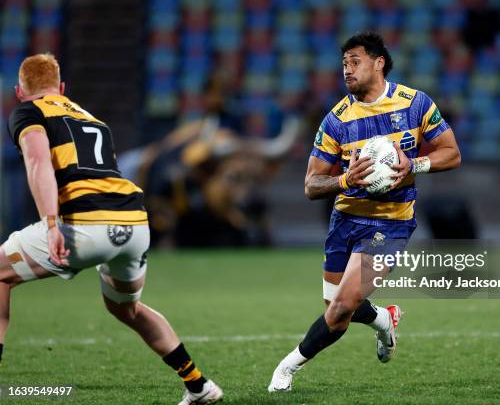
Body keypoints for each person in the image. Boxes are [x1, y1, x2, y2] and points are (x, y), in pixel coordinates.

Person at [0, 53, 222, 405]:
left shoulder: (29, 111)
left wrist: (51, 224)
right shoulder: (94, 121)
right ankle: (199, 385)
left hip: (86, 224)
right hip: (133, 222)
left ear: (19, 91)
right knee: (127, 308)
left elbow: (38, 161)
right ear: (61, 88)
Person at [268, 32, 461, 392]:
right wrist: (344, 180)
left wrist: (414, 164)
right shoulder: (337, 120)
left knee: (340, 308)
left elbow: (452, 153)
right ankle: (384, 319)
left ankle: (286, 369)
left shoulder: (415, 105)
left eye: (355, 61)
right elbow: (311, 185)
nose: (347, 70)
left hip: (390, 222)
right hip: (345, 220)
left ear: (379, 62)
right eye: (344, 64)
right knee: (336, 311)